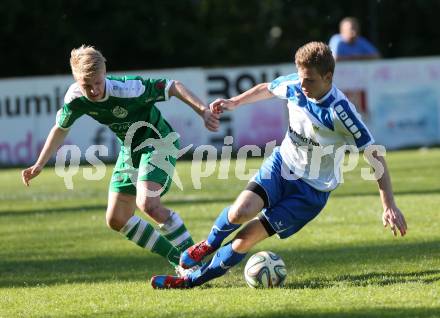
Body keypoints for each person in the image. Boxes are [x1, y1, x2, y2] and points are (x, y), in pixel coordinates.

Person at [150, 41, 407, 289]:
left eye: (310, 80)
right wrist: (235, 102)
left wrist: (389, 204)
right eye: (301, 77)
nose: (303, 85)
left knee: (246, 239)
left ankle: (191, 281)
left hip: (312, 191)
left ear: (328, 77)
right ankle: (208, 244)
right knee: (240, 211)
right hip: (282, 165)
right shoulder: (295, 85)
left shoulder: (341, 112)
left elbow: (374, 153)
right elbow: (267, 88)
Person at [21, 45, 220, 274]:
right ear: (77, 81)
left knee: (147, 204)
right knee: (116, 218)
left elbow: (172, 86)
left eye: (98, 82)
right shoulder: (75, 98)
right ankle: (181, 260)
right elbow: (60, 128)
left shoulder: (129, 88)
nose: (94, 90)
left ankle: (195, 263)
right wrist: (39, 164)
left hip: (158, 141)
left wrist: (203, 110)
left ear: (104, 73)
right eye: (87, 85)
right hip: (131, 149)